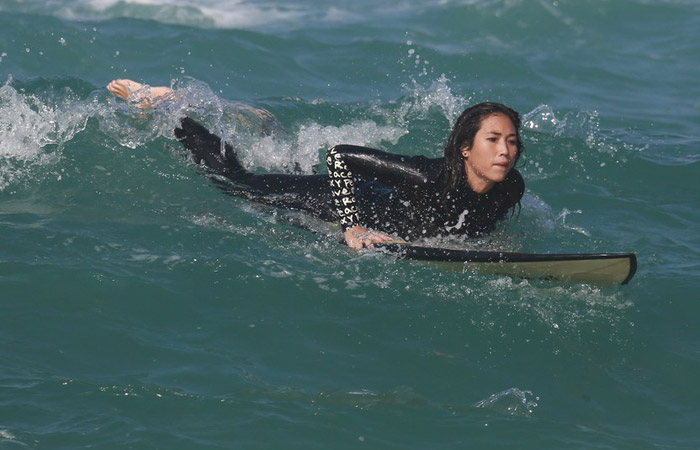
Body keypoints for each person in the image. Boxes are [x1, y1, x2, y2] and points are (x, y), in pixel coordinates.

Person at [107, 79, 525, 249]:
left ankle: (266, 127)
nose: (505, 150)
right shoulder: (428, 175)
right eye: (493, 140)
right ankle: (171, 109)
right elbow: (340, 156)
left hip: (386, 203)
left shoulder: (511, 187)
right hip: (343, 201)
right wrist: (352, 226)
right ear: (465, 149)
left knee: (284, 168)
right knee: (235, 181)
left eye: (510, 141)